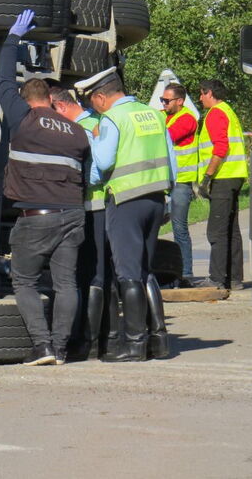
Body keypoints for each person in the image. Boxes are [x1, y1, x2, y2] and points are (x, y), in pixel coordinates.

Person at [0, 11, 90, 366]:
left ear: (24, 98)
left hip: (36, 216)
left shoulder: (23, 118)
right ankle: (62, 349)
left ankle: (43, 347)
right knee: (67, 284)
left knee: (24, 281)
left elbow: (2, 79)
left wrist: (11, 39)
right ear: (51, 100)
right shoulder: (77, 131)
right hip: (72, 215)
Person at [74, 67, 177, 362]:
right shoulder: (154, 114)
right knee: (145, 270)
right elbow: (172, 161)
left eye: (93, 102)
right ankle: (159, 341)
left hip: (126, 201)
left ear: (100, 97)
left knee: (128, 272)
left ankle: (134, 344)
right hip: (156, 199)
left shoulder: (113, 119)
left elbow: (103, 162)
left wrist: (87, 180)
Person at [50, 87, 113, 360]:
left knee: (91, 274)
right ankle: (101, 338)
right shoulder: (92, 122)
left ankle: (90, 342)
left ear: (61, 107)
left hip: (91, 206)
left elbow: (94, 171)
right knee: (96, 273)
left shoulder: (83, 128)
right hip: (95, 206)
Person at [195, 79, 248, 291]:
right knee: (231, 230)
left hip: (223, 177)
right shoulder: (228, 110)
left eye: (201, 94)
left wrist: (207, 177)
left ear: (209, 93)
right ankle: (234, 279)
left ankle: (216, 278)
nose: (199, 98)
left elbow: (220, 148)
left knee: (216, 230)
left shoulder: (216, 113)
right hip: (235, 176)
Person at [160, 83, 199, 284]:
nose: (163, 104)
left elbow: (165, 137)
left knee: (179, 228)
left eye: (167, 100)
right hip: (166, 181)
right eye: (162, 100)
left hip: (181, 182)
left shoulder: (187, 119)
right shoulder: (167, 116)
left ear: (180, 101)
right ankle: (170, 273)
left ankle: (186, 273)